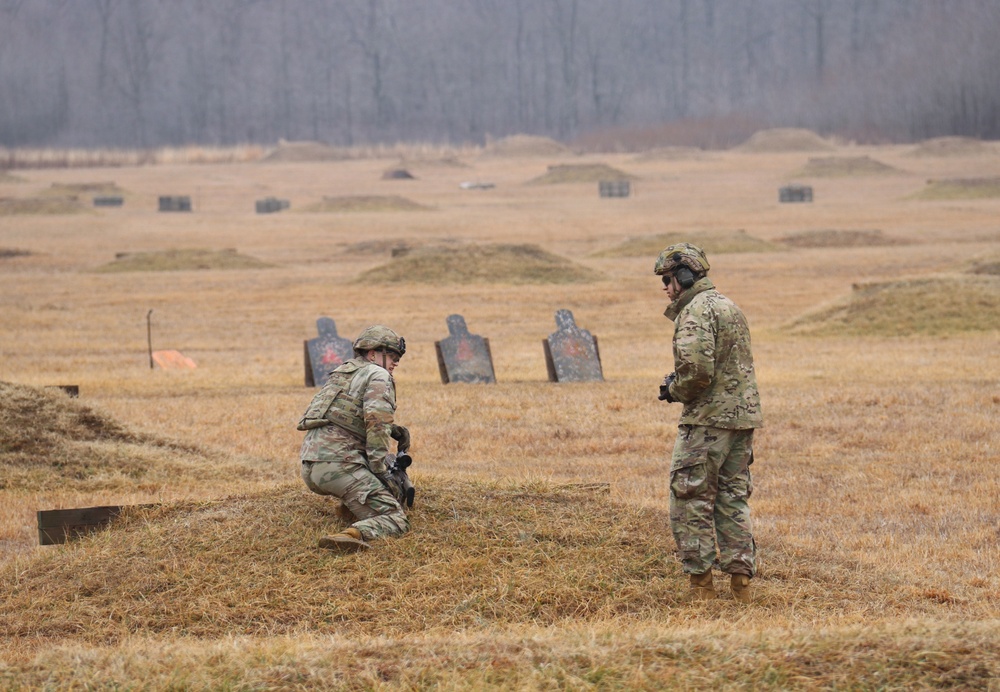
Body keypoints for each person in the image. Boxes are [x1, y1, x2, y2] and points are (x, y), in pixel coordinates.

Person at [654, 243, 763, 603]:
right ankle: (740, 585)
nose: (665, 288)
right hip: (740, 420)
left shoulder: (696, 312)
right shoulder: (728, 306)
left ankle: (701, 587)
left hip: (706, 421)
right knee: (732, 499)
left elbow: (697, 372)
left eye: (668, 279)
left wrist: (674, 389)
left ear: (685, 276)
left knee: (690, 498)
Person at [298, 324, 411, 552]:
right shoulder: (378, 374)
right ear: (372, 354)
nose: (396, 362)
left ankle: (350, 506)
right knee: (394, 517)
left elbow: (345, 417)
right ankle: (350, 535)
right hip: (341, 467)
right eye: (392, 355)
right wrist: (381, 472)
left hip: (311, 465)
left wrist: (394, 429)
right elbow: (377, 425)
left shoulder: (343, 372)